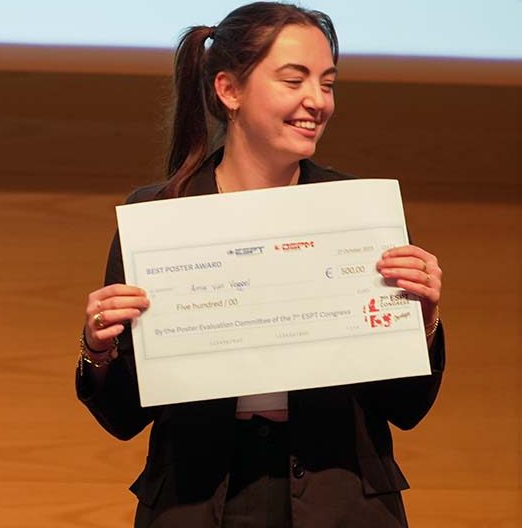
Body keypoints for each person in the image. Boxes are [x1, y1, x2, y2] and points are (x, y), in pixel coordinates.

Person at [76, 3, 444, 527]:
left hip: (341, 500)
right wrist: (99, 349)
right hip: (196, 503)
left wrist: (423, 322)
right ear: (230, 90)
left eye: (328, 83)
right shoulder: (158, 217)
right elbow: (124, 417)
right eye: (294, 80)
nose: (317, 101)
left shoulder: (361, 213)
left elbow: (405, 407)